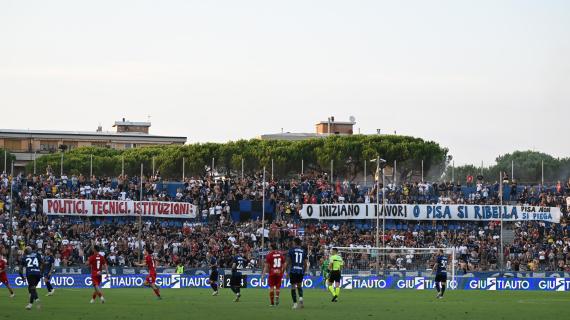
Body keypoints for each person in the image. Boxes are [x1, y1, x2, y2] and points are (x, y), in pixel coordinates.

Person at [261, 243, 285, 307]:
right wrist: (283, 273)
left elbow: (266, 267)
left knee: (271, 287)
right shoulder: (281, 254)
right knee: (278, 287)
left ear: (271, 247)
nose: (269, 247)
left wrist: (263, 276)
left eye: (269, 246)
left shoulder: (269, 255)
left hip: (272, 273)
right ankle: (277, 297)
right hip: (279, 273)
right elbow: (284, 265)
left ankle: (272, 303)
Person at [287, 238, 308, 309]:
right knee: (299, 285)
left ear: (295, 242)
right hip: (300, 271)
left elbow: (288, 262)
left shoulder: (291, 250)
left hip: (293, 271)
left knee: (293, 286)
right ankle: (301, 298)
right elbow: (305, 264)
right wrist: (304, 271)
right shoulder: (303, 251)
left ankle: (295, 303)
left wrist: (287, 272)